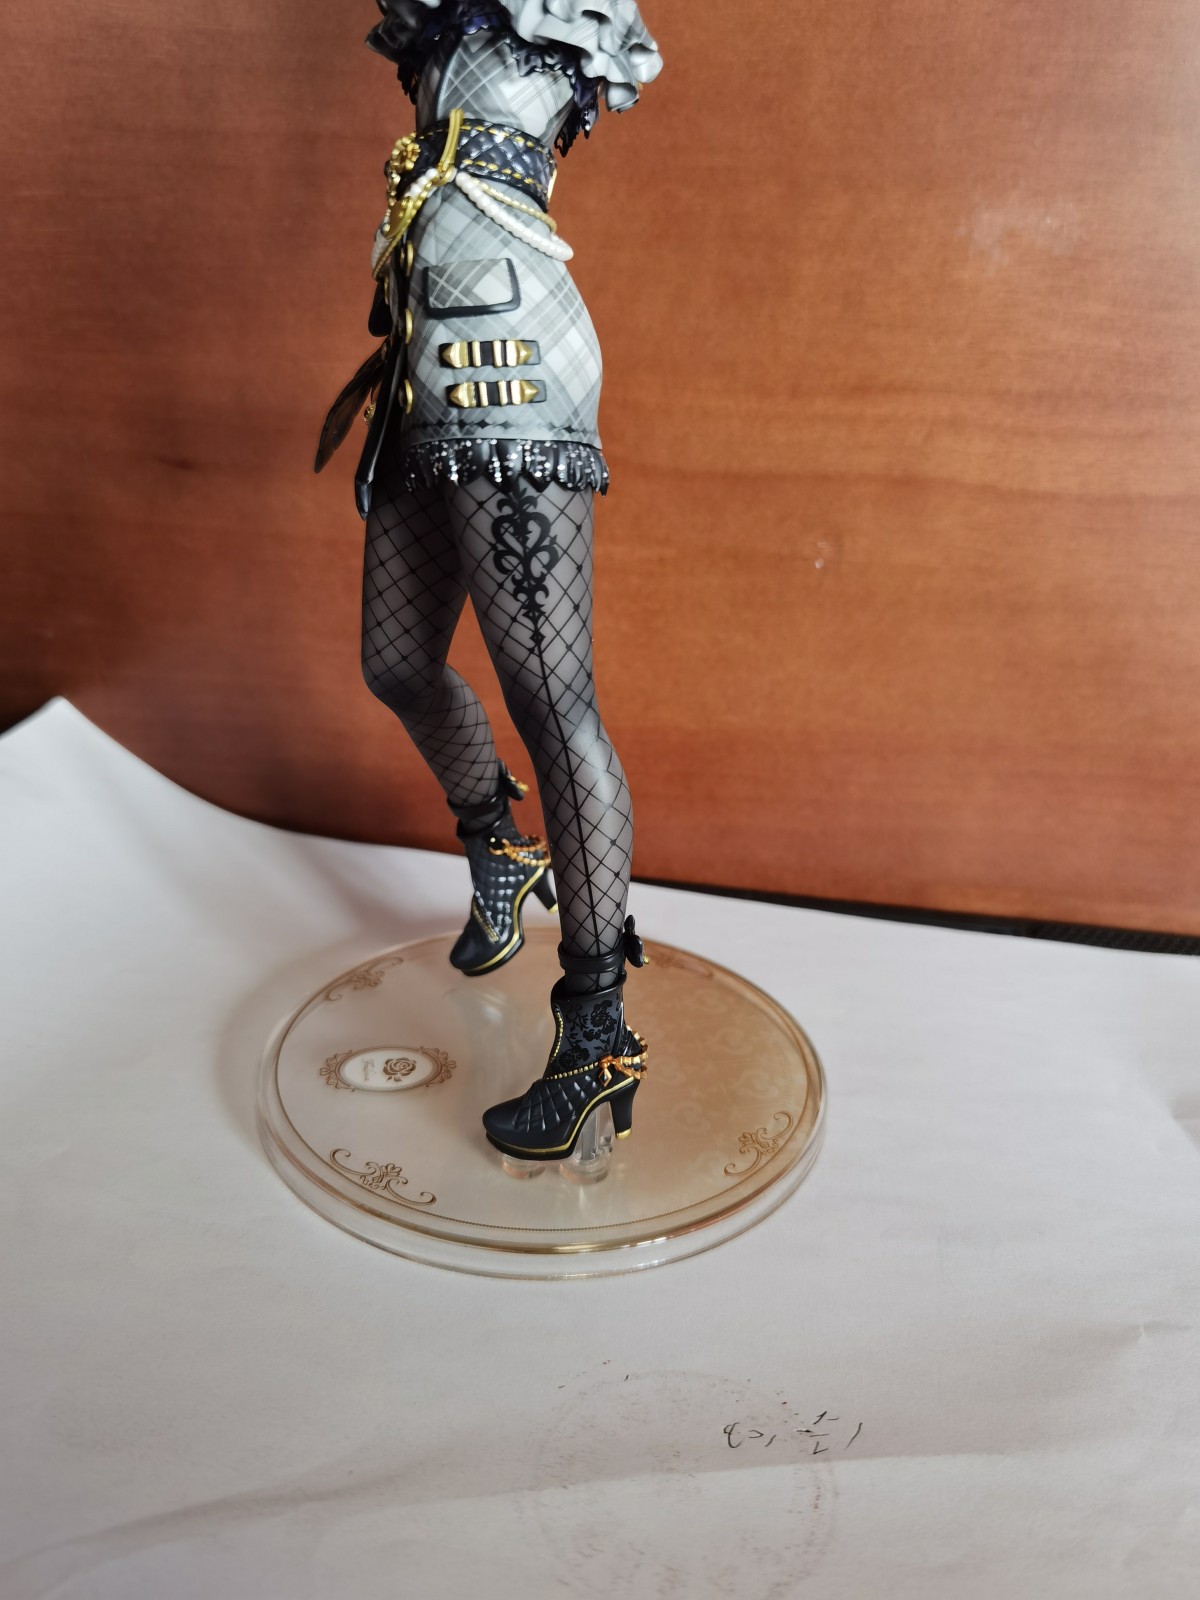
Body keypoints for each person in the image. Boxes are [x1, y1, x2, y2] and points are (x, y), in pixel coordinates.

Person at [316, 0, 663, 1163]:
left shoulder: (556, 12)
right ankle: (500, 849)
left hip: (513, 349)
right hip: (428, 355)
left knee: (551, 694)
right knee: (397, 663)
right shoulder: (437, 23)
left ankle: (597, 1031)